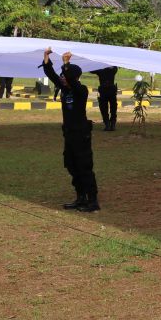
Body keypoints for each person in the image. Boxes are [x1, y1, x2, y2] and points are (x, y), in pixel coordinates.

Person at [42, 48, 99, 212]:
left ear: (73, 77)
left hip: (81, 134)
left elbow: (71, 80)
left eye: (65, 76)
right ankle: (80, 198)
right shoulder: (65, 88)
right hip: (69, 133)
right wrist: (46, 57)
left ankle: (92, 201)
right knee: (72, 166)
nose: (61, 78)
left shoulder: (81, 90)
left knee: (84, 167)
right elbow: (51, 74)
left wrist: (66, 63)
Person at [92, 67, 119, 131]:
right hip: (111, 91)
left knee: (104, 109)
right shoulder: (112, 69)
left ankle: (108, 124)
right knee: (113, 109)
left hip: (104, 91)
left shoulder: (100, 70)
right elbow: (116, 68)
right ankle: (112, 124)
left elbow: (92, 70)